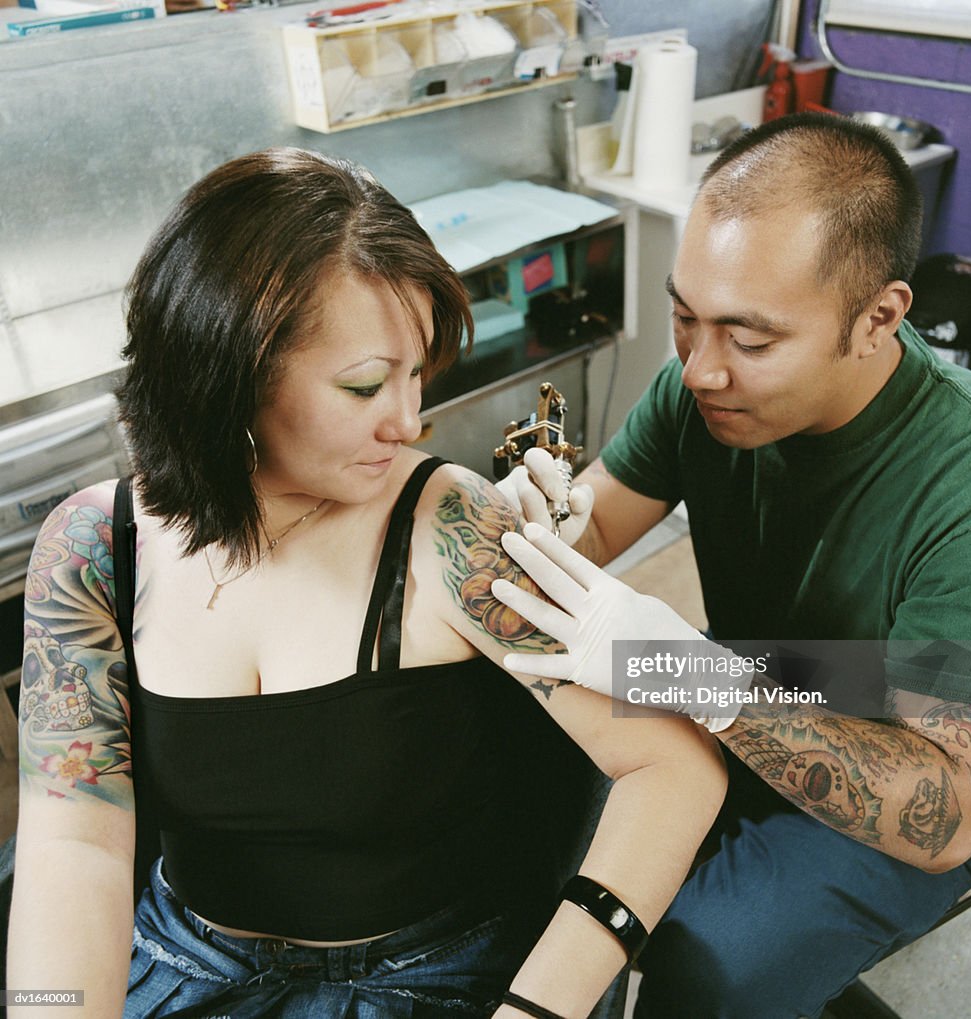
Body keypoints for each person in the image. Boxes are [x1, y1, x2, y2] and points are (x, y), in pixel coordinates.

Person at [7, 148, 727, 1019]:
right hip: (181, 960)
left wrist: (539, 1009)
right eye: (362, 385)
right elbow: (71, 840)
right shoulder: (93, 546)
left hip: (420, 976)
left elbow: (673, 760)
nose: (409, 420)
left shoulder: (445, 525)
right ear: (224, 373)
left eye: (415, 373)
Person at [491, 112, 971, 1017]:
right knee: (521, 812)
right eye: (685, 318)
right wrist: (531, 519)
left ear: (878, 318)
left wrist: (691, 674)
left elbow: (948, 814)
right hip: (750, 678)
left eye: (751, 339)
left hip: (900, 765)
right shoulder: (700, 390)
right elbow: (591, 535)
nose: (700, 369)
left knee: (709, 959)